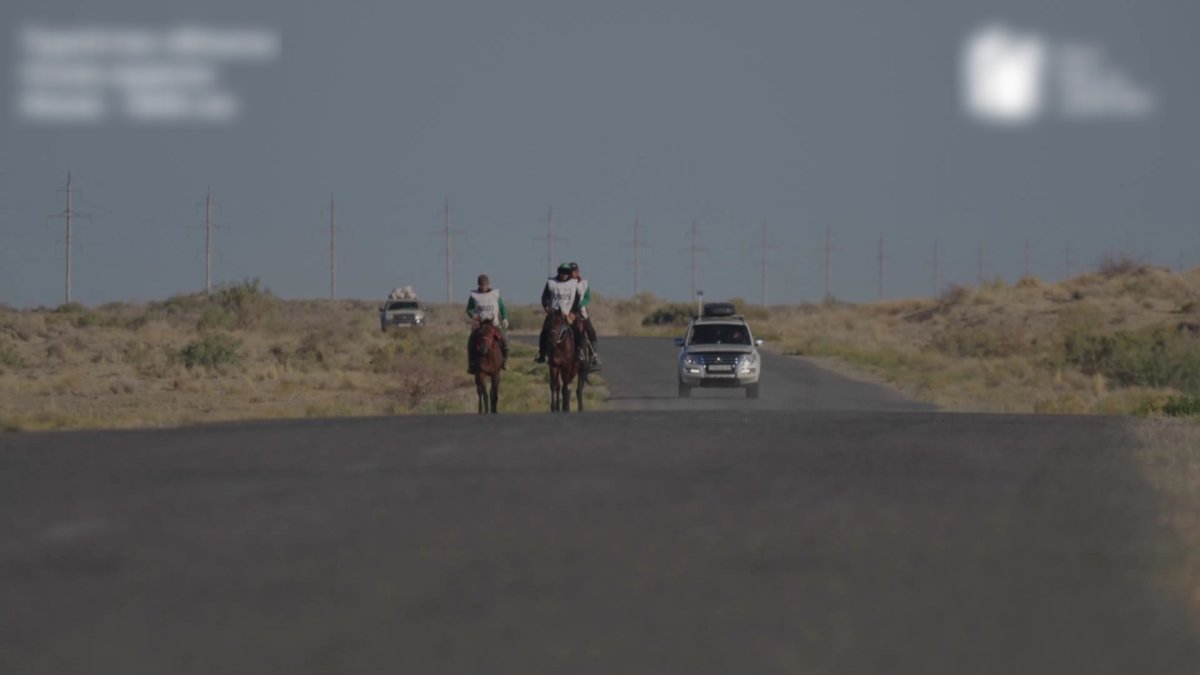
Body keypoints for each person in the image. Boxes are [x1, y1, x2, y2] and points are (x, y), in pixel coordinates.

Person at [534, 263, 581, 363]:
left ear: (569, 274)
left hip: (568, 314)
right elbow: (545, 297)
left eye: (566, 273)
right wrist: (546, 307)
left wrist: (573, 312)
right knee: (544, 331)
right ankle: (542, 354)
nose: (564, 275)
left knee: (577, 329)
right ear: (559, 272)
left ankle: (579, 351)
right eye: (562, 273)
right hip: (554, 314)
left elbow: (576, 299)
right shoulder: (551, 282)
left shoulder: (573, 284)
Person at [466, 274, 509, 374]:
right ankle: (471, 364)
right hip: (480, 325)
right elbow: (469, 309)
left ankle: (505, 361)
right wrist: (473, 315)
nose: (483, 287)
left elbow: (502, 307)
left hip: (494, 324)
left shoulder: (495, 294)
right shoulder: (474, 295)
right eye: (481, 285)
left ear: (488, 284)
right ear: (479, 285)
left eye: (485, 285)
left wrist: (505, 318)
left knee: (505, 340)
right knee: (471, 342)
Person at [569, 262, 601, 369]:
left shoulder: (584, 283)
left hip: (581, 312)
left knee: (591, 332)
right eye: (571, 272)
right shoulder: (564, 283)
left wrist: (580, 304)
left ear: (578, 272)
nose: (573, 273)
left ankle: (594, 355)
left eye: (575, 271)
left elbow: (587, 297)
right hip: (568, 312)